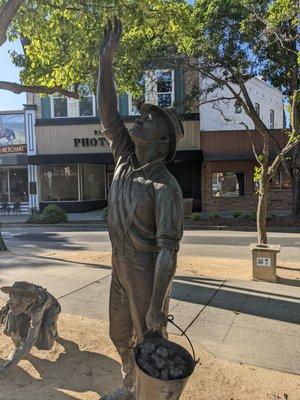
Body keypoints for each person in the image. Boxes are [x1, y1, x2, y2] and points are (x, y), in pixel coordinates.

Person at [98, 17, 184, 400]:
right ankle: (129, 384)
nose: (139, 117)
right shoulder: (125, 158)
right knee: (119, 333)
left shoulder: (165, 186)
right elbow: (107, 114)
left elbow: (169, 250)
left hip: (147, 273)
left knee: (151, 341)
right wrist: (105, 63)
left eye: (148, 119)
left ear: (162, 141)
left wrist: (157, 304)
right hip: (119, 264)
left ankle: (151, 394)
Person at [0, 281, 61, 379]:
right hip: (28, 307)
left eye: (17, 305)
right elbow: (4, 313)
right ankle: (18, 345)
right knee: (12, 314)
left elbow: (31, 338)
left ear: (28, 302)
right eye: (12, 303)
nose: (13, 307)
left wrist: (8, 367)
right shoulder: (14, 300)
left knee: (47, 331)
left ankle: (53, 333)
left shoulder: (38, 307)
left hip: (50, 308)